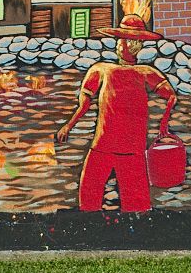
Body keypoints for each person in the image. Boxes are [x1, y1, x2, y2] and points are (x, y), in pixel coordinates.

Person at [54, 12, 177, 212]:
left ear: (137, 46)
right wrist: (68, 125)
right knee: (88, 199)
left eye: (129, 41)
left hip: (132, 149)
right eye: (121, 40)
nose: (123, 45)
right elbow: (84, 104)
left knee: (137, 205)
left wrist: (164, 123)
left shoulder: (146, 73)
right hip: (102, 145)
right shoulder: (100, 70)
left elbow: (171, 96)